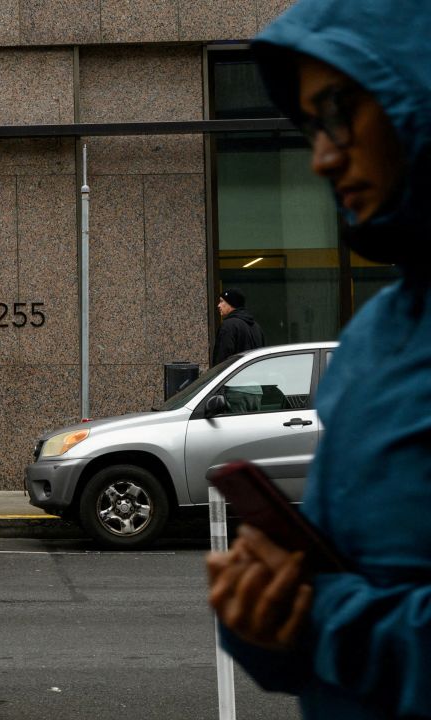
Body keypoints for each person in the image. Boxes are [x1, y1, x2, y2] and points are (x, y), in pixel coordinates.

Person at [206, 1, 431, 717]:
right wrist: (265, 619)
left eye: (338, 112)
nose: (322, 155)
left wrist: (318, 619)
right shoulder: (374, 337)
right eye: (309, 125)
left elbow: (342, 612)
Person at [211, 287, 265, 365]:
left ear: (232, 303)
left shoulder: (228, 326)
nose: (218, 305)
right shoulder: (256, 326)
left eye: (221, 301)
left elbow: (222, 360)